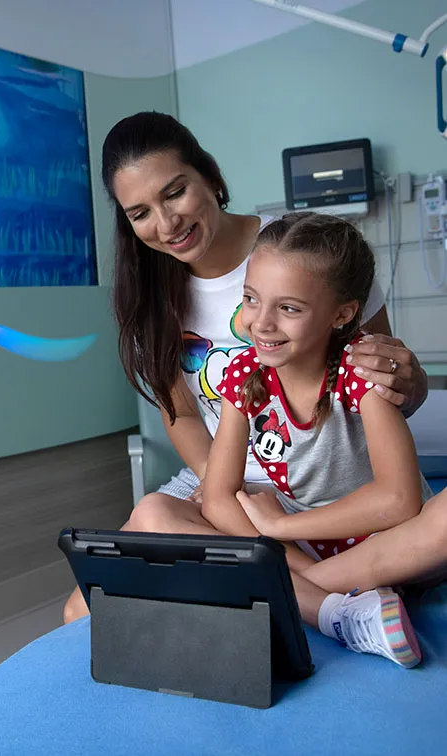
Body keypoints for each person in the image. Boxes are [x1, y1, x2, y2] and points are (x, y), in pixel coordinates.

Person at [63, 112, 442, 629]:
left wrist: (409, 380)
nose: (167, 223)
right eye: (140, 212)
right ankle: (329, 593)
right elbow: (186, 420)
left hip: (326, 473)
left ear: (210, 178)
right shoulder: (149, 302)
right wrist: (224, 490)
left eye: (174, 192)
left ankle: (302, 586)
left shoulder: (306, 251)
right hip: (226, 475)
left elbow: (376, 375)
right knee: (80, 609)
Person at [205, 212, 438, 667]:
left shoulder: (361, 369)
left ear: (343, 314)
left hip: (381, 541)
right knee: (155, 511)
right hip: (300, 551)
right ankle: (333, 605)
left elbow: (399, 500)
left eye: (289, 308)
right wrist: (291, 552)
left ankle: (288, 590)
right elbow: (217, 498)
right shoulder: (243, 374)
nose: (261, 324)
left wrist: (277, 529)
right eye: (251, 299)